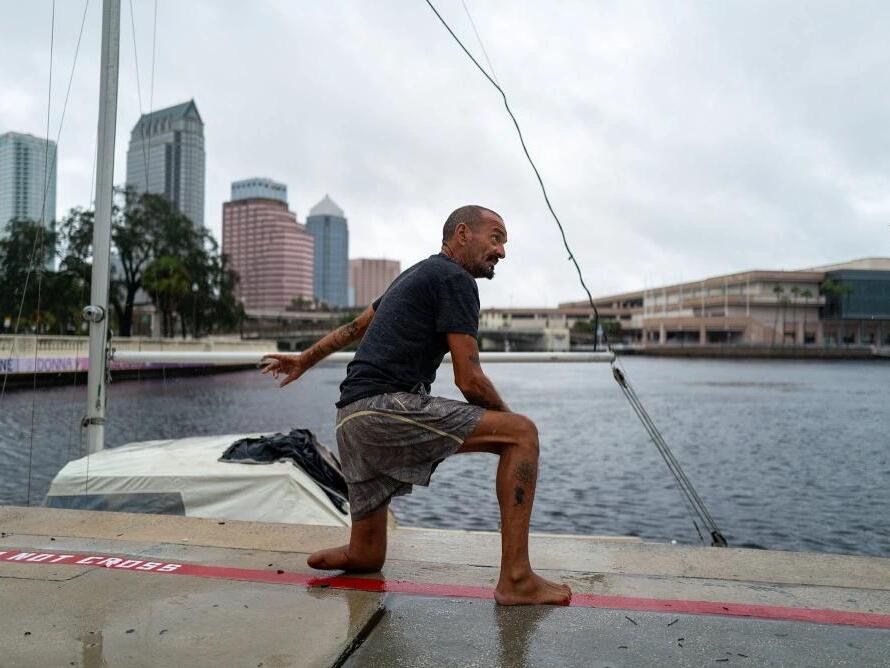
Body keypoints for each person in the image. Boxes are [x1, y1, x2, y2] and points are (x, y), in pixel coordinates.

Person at [262, 205, 572, 605]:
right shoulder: (455, 279)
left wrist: (305, 360)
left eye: (504, 243)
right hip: (382, 410)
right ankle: (516, 578)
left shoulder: (414, 275)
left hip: (349, 419)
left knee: (368, 555)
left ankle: (356, 550)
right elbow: (469, 380)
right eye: (495, 238)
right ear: (462, 233)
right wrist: (513, 428)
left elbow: (355, 328)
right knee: (523, 435)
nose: (502, 251)